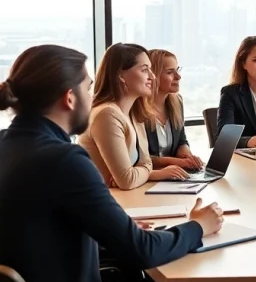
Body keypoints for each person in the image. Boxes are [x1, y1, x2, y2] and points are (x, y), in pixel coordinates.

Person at [0, 44, 222, 282]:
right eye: (87, 87)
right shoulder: (64, 159)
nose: (93, 95)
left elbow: (39, 227)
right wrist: (198, 226)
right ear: (68, 98)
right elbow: (142, 251)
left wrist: (117, 227)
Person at [77, 43, 188, 189]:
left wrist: (141, 173)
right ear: (121, 76)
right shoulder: (107, 114)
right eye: (144, 70)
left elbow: (145, 163)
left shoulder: (134, 113)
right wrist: (143, 172)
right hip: (103, 201)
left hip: (125, 197)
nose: (152, 76)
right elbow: (127, 180)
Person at [145, 49, 202, 170]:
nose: (178, 76)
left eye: (178, 70)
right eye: (170, 72)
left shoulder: (177, 102)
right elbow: (141, 159)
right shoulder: (138, 109)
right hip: (150, 177)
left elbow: (182, 140)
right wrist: (177, 162)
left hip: (173, 175)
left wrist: (186, 155)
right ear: (152, 75)